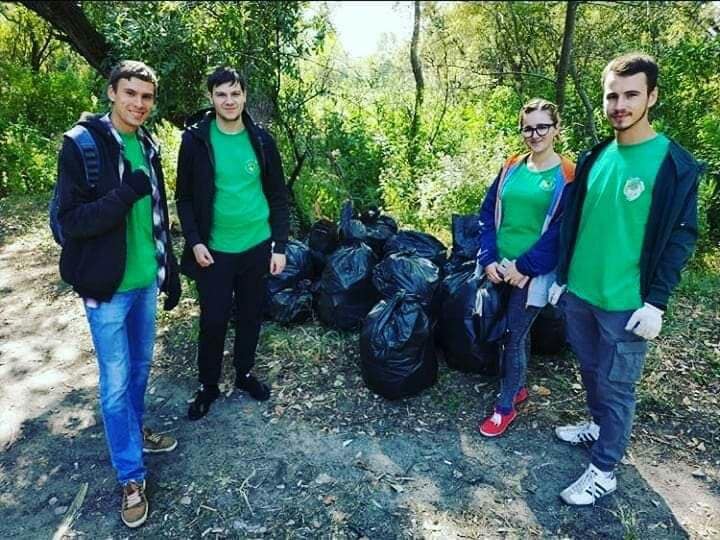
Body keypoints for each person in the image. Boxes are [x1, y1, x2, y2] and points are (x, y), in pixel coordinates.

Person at [549, 52, 702, 505]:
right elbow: (575, 219)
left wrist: (656, 302)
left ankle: (605, 469)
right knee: (591, 371)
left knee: (617, 387)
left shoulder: (674, 164)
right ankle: (596, 428)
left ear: (651, 96)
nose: (620, 104)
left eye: (631, 94)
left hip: (625, 301)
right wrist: (562, 276)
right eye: (612, 95)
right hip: (579, 292)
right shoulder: (596, 155)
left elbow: (679, 237)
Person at [56, 60, 182, 528]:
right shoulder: (82, 145)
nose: (139, 104)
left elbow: (156, 217)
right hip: (106, 289)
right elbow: (70, 223)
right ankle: (131, 476)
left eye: (147, 97)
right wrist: (124, 194)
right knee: (114, 383)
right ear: (111, 92)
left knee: (140, 370)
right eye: (130, 93)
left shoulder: (148, 143)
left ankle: (133, 433)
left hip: (144, 280)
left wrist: (168, 272)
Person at [176, 66, 289, 420]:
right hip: (214, 250)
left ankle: (243, 374)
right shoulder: (195, 140)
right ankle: (208, 385)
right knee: (213, 320)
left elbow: (277, 195)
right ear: (211, 97)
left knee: (251, 315)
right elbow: (184, 199)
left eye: (235, 93)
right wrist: (194, 241)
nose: (229, 100)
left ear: (244, 96)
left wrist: (280, 246)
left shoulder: (261, 139)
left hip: (256, 245)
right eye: (221, 94)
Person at [476, 99, 575, 437]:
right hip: (499, 266)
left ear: (556, 129)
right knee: (510, 333)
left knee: (512, 335)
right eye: (528, 127)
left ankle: (505, 407)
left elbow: (564, 230)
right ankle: (517, 386)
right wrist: (488, 257)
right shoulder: (511, 166)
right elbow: (487, 212)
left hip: (532, 272)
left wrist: (526, 266)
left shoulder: (568, 175)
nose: (535, 134)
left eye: (542, 126)